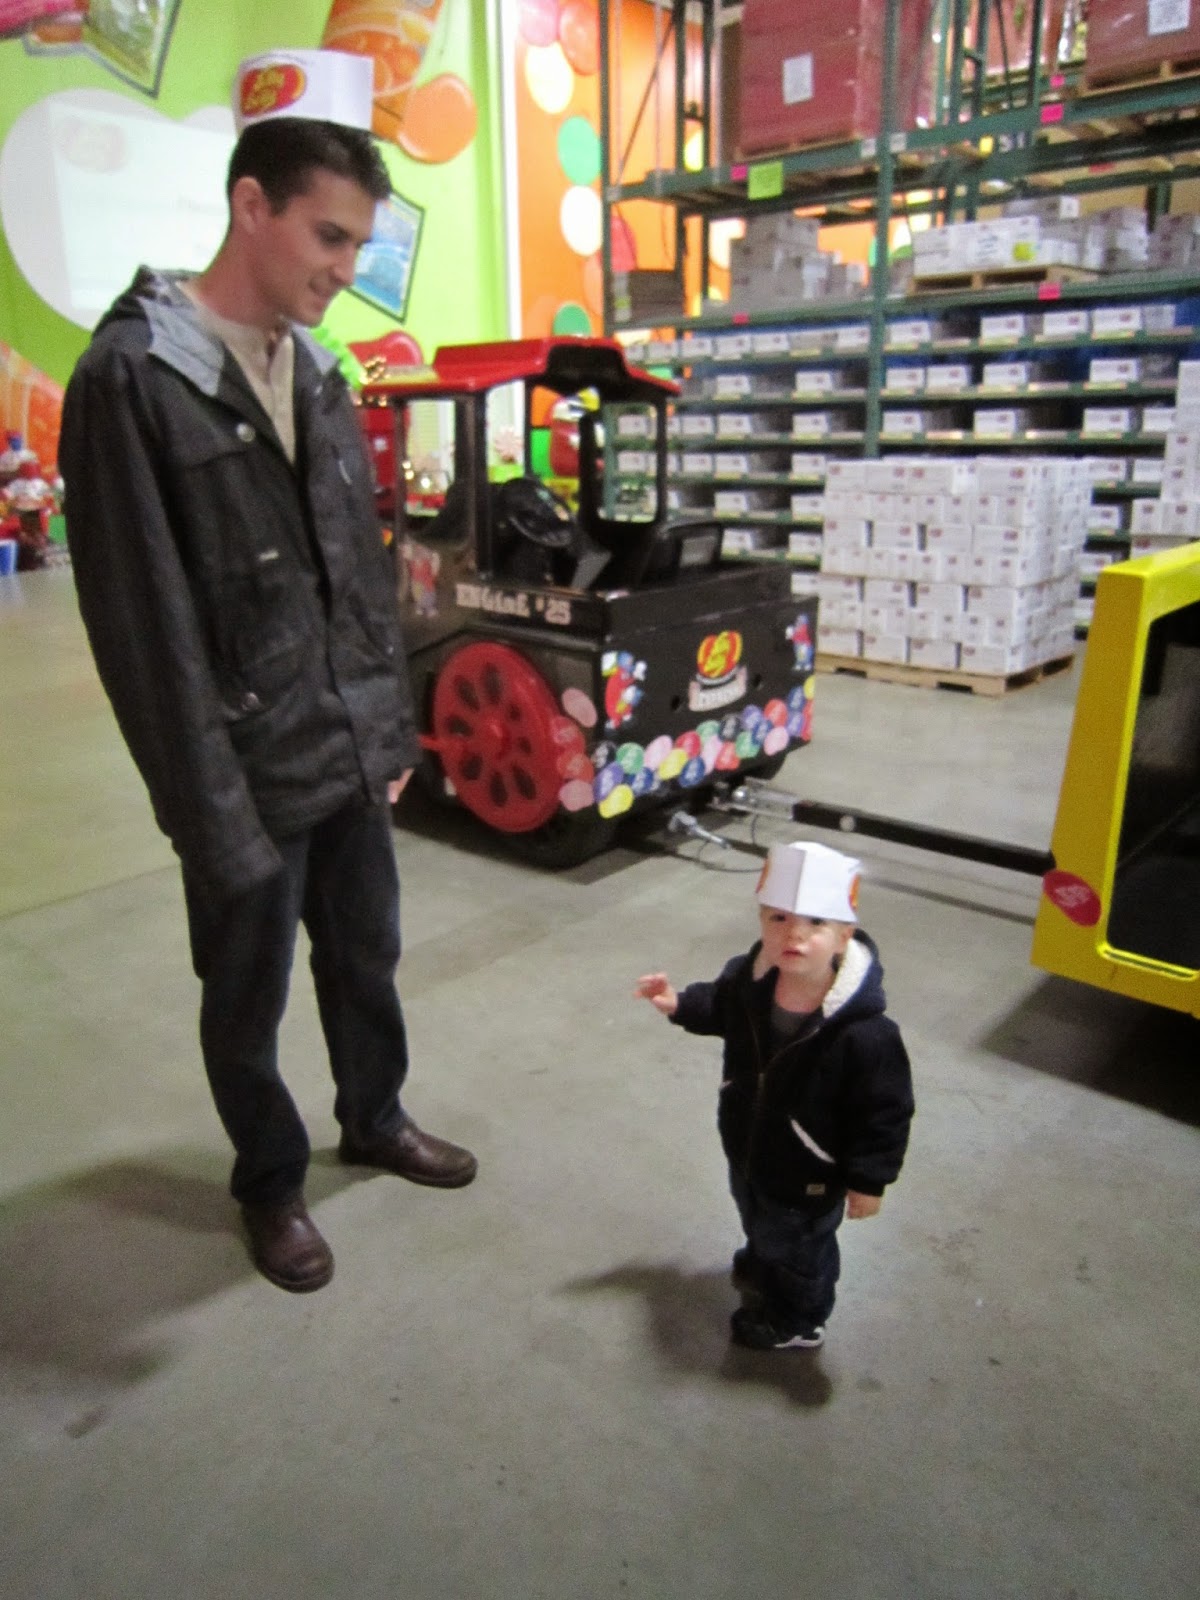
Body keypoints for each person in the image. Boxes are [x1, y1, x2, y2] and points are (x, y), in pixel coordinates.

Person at [59, 49, 477, 1295]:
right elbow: (144, 631)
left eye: (358, 245)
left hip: (343, 743)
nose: (347, 272)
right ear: (253, 205)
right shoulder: (134, 377)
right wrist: (212, 818)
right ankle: (271, 1182)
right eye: (329, 238)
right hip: (242, 766)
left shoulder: (321, 370)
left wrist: (386, 735)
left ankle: (375, 1115)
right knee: (246, 996)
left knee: (368, 955)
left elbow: (359, 569)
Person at [635, 840, 914, 1350]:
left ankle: (797, 1320)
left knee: (802, 1251)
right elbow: (721, 1006)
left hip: (810, 1173)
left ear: (844, 936)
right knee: (756, 1214)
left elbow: (885, 1114)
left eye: (815, 923)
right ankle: (765, 1256)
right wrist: (679, 1003)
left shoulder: (867, 1035)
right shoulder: (751, 981)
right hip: (748, 1146)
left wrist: (868, 1181)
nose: (794, 934)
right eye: (778, 918)